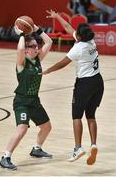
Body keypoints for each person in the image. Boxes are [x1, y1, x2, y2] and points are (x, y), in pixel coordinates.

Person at [44, 10, 104, 165]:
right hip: (98, 82)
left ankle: (78, 148)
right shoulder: (91, 42)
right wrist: (57, 17)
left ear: (79, 37)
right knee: (91, 115)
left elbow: (62, 64)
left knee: (76, 116)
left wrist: (47, 71)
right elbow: (70, 29)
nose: (74, 33)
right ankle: (93, 144)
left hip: (84, 84)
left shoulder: (78, 48)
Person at [0, 23, 53, 170]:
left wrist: (36, 29)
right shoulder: (21, 63)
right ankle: (5, 157)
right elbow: (20, 49)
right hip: (22, 101)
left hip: (34, 100)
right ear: (27, 49)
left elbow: (49, 42)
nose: (37, 48)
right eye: (34, 46)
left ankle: (37, 149)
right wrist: (22, 35)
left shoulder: (37, 60)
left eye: (37, 46)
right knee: (22, 128)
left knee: (46, 127)